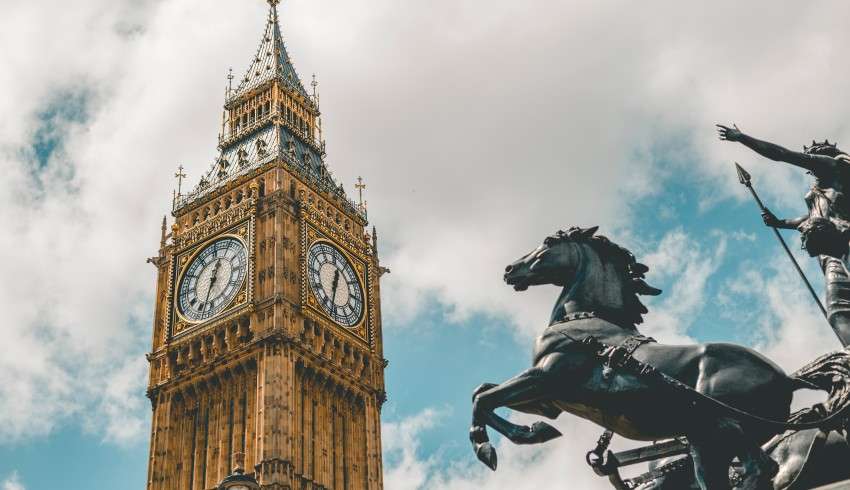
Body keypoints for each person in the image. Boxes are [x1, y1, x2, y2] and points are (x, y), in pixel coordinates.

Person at [717, 123, 850, 346]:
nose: (810, 160)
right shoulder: (819, 193)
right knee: (838, 312)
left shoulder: (835, 168)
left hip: (845, 242)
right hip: (830, 256)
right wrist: (779, 222)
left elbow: (782, 155)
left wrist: (742, 137)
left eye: (813, 156)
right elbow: (807, 218)